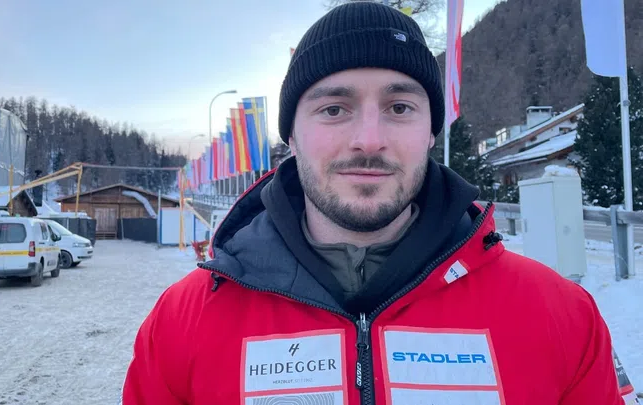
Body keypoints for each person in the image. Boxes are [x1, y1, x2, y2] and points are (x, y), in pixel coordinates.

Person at [121, 2, 636, 404]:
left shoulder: (560, 316)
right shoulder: (183, 322)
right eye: (334, 108)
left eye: (399, 106)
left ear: (431, 130)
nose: (369, 139)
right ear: (291, 137)